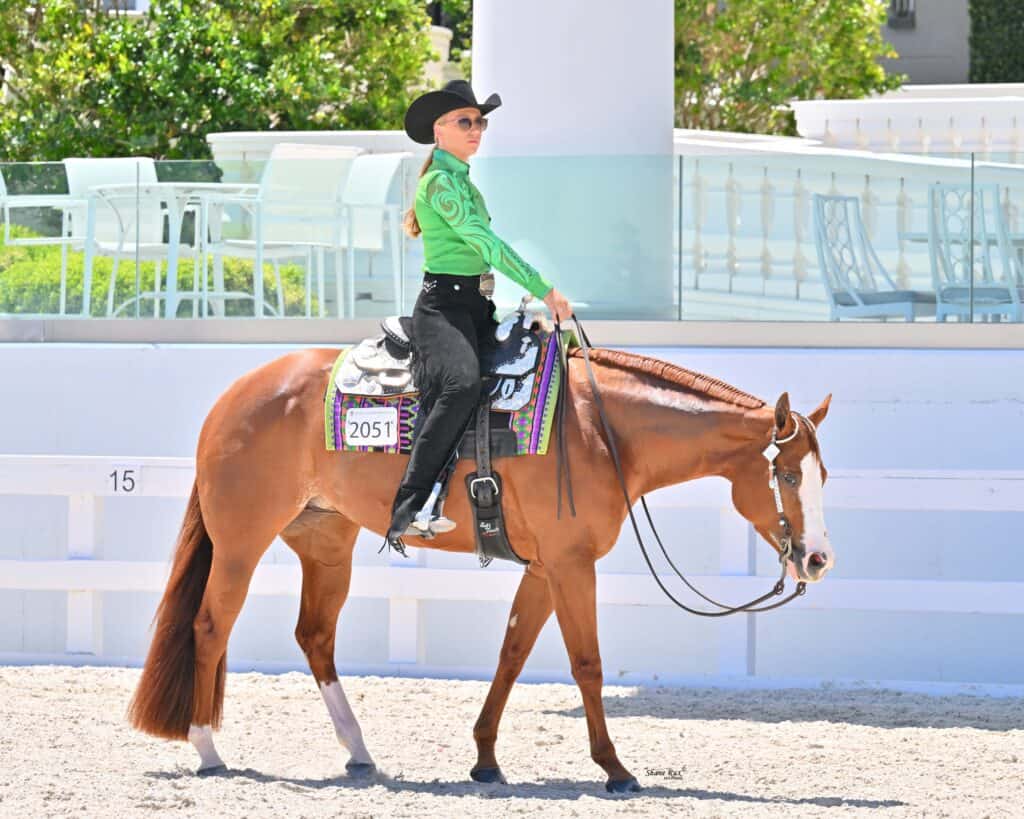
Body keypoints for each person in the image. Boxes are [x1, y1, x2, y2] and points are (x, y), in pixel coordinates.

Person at [385, 79, 572, 551]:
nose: (477, 130)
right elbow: (485, 244)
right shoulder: (439, 184)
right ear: (439, 130)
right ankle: (413, 504)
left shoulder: (464, 183)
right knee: (462, 384)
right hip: (442, 310)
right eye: (466, 121)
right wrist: (543, 288)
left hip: (475, 306)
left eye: (481, 121)